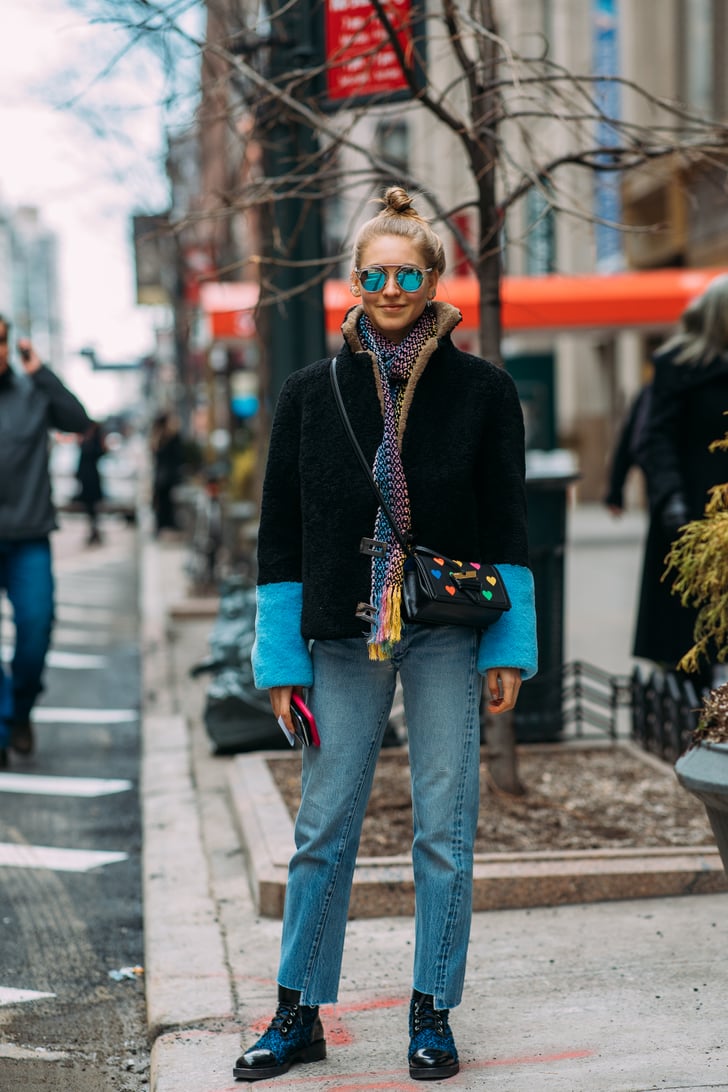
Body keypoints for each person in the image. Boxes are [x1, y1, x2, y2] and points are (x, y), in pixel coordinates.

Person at [234, 187, 537, 1083]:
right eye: (377, 272)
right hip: (337, 630)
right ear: (354, 282)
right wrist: (280, 658)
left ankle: (431, 1012)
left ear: (436, 279)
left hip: (445, 629)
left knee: (445, 825)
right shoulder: (306, 392)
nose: (393, 284)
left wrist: (510, 644)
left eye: (410, 271)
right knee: (324, 823)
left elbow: (507, 520)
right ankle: (298, 1013)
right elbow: (279, 531)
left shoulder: (484, 390)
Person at [0, 316, 92, 766]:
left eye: (0, 342)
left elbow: (78, 420)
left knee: (35, 631)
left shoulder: (33, 391)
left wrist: (40, 370)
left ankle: (19, 713)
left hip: (29, 537)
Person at [633, 274, 728, 685]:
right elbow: (656, 438)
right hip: (692, 512)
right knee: (692, 631)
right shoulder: (679, 365)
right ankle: (700, 718)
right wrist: (671, 497)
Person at [603, 381, 652, 516]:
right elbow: (629, 441)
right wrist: (615, 492)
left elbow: (628, 441)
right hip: (663, 485)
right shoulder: (653, 393)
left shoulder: (651, 392)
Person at [149, 410, 183, 534]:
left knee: (165, 503)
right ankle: (165, 525)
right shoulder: (166, 437)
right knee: (164, 503)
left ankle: (164, 525)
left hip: (163, 476)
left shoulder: (160, 437)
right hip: (165, 476)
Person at [75, 420, 106, 545]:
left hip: (92, 478)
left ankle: (95, 532)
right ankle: (93, 532)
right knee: (89, 508)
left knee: (93, 508)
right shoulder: (86, 440)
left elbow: (98, 454)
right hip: (86, 478)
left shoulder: (95, 441)